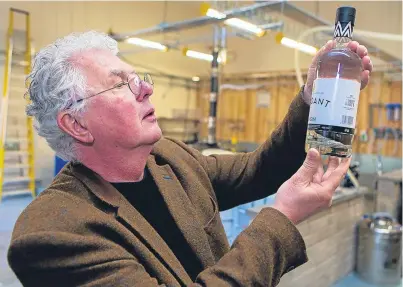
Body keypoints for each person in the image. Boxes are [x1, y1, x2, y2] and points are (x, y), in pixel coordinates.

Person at [7, 31, 373, 287]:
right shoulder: (52, 236)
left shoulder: (169, 157)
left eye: (140, 78)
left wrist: (314, 97)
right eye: (122, 83)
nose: (147, 88)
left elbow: (259, 170)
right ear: (76, 124)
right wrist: (281, 218)